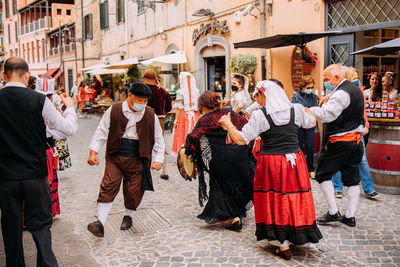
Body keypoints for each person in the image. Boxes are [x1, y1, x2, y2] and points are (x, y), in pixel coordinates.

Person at [219, 80, 322, 260]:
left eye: (257, 96)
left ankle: (282, 244)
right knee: (294, 197)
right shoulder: (296, 110)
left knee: (275, 198)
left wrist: (228, 124)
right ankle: (297, 236)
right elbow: (311, 123)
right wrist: (308, 110)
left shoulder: (261, 116)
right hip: (295, 161)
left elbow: (242, 139)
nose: (257, 101)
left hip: (273, 162)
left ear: (264, 94)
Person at [0, 57, 78, 266]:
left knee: (11, 228)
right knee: (41, 226)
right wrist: (69, 107)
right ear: (27, 76)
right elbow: (67, 129)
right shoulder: (39, 100)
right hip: (35, 173)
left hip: (6, 176)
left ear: (3, 75)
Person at [86, 82, 165, 237]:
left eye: (145, 101)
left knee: (133, 190)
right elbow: (101, 131)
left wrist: (158, 159)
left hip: (138, 157)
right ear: (129, 96)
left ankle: (128, 215)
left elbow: (159, 139)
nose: (142, 104)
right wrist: (93, 152)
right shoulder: (114, 110)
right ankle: (100, 222)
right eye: (139, 100)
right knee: (108, 185)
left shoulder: (150, 115)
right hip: (115, 155)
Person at [185, 91, 255, 231]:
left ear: (202, 106)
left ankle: (234, 217)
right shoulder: (232, 115)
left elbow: (193, 137)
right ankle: (236, 214)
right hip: (239, 156)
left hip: (219, 159)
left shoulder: (205, 120)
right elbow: (248, 128)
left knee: (221, 186)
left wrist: (188, 148)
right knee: (236, 184)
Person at [310, 64, 365, 228]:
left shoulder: (341, 93)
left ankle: (333, 212)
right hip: (356, 141)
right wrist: (330, 97)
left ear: (337, 77)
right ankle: (350, 216)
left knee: (322, 174)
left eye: (327, 79)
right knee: (352, 178)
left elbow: (326, 115)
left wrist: (309, 110)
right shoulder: (355, 90)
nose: (326, 82)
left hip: (341, 141)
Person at [331, 67, 379, 200]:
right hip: (342, 131)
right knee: (339, 159)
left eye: (358, 78)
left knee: (362, 160)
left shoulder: (360, 92)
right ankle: (337, 188)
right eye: (355, 78)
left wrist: (366, 125)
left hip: (357, 130)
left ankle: (369, 188)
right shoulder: (340, 92)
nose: (358, 81)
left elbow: (363, 111)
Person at [143, 69, 172, 180]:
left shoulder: (142, 90)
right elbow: (169, 107)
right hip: (160, 118)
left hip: (144, 117)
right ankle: (164, 171)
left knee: (144, 142)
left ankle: (145, 170)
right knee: (160, 143)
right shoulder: (162, 91)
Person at [291, 75, 318, 179]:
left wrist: (309, 111)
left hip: (310, 125)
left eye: (312, 88)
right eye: (308, 88)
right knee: (300, 147)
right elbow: (294, 110)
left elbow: (315, 110)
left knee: (310, 147)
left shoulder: (314, 97)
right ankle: (301, 169)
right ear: (303, 86)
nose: (310, 90)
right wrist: (305, 110)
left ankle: (311, 168)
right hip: (299, 126)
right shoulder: (295, 96)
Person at [171, 72, 200, 154]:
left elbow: (178, 107)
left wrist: (176, 119)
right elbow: (198, 107)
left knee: (183, 133)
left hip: (184, 115)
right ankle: (194, 150)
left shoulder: (180, 92)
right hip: (194, 115)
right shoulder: (196, 91)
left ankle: (183, 153)